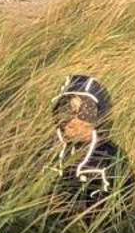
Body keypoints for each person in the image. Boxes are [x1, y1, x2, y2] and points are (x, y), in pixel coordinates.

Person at [49, 73, 129, 210]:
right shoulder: (52, 152)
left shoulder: (109, 156)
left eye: (85, 124)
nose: (77, 126)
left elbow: (123, 197)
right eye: (71, 126)